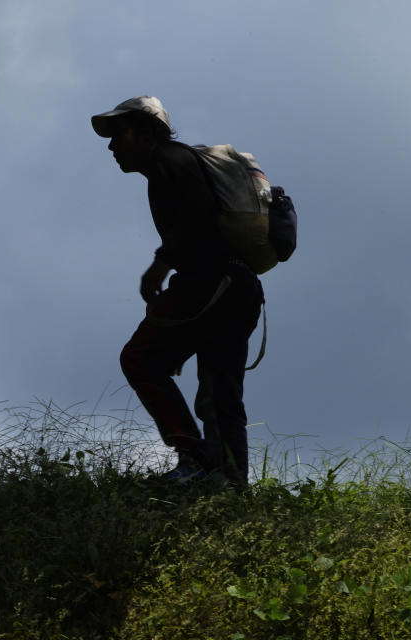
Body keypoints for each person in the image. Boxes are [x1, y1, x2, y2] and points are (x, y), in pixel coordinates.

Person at [91, 96, 264, 487]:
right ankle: (229, 483)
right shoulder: (171, 164)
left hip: (210, 284)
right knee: (221, 392)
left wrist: (161, 263)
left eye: (120, 133)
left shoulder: (170, 160)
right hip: (238, 287)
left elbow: (197, 212)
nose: (112, 144)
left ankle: (196, 459)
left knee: (141, 358)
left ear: (148, 132)